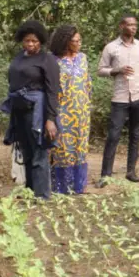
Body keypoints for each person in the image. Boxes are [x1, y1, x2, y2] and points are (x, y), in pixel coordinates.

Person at [98, 14, 139, 182]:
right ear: (121, 26)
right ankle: (105, 174)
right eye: (130, 25)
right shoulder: (111, 47)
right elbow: (101, 70)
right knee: (113, 135)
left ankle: (130, 171)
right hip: (120, 97)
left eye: (135, 25)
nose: (133, 27)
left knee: (135, 134)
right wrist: (117, 70)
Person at [2, 20, 59, 199]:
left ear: (40, 41)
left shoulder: (46, 59)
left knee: (39, 153)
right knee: (25, 152)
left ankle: (42, 195)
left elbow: (52, 91)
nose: (31, 44)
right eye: (27, 40)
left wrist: (50, 118)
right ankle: (30, 191)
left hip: (38, 112)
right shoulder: (19, 57)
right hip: (20, 111)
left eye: (34, 41)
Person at [49, 25, 91, 194]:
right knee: (62, 148)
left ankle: (79, 187)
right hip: (62, 110)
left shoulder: (83, 58)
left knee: (80, 147)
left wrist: (87, 105)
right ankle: (62, 188)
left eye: (80, 40)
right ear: (66, 42)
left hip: (82, 110)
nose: (78, 44)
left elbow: (88, 83)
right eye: (74, 41)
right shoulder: (53, 60)